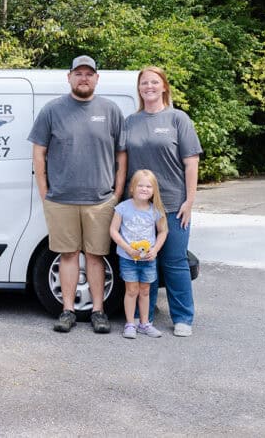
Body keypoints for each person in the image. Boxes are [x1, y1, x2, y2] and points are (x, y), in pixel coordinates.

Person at [28, 55, 127, 334]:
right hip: (61, 200)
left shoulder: (110, 110)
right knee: (68, 256)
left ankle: (98, 312)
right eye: (79, 73)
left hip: (100, 201)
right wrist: (45, 192)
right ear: (69, 77)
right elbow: (39, 153)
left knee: (96, 257)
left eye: (89, 73)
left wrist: (117, 193)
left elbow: (122, 152)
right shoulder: (52, 110)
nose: (84, 78)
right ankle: (67, 311)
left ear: (97, 78)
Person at [124, 66, 202, 337]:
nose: (149, 87)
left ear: (164, 86)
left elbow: (191, 163)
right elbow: (122, 163)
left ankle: (183, 318)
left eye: (154, 82)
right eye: (144, 83)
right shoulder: (130, 122)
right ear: (139, 88)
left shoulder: (178, 119)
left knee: (174, 262)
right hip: (139, 208)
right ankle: (143, 317)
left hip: (171, 204)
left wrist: (189, 202)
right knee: (144, 262)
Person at [110, 169, 168, 339]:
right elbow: (113, 230)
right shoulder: (122, 208)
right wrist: (127, 248)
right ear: (132, 188)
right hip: (128, 258)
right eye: (140, 185)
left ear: (154, 190)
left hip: (148, 259)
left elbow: (163, 232)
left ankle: (145, 323)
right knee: (131, 290)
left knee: (145, 290)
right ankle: (130, 323)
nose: (144, 189)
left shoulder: (156, 210)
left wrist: (156, 249)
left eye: (148, 186)